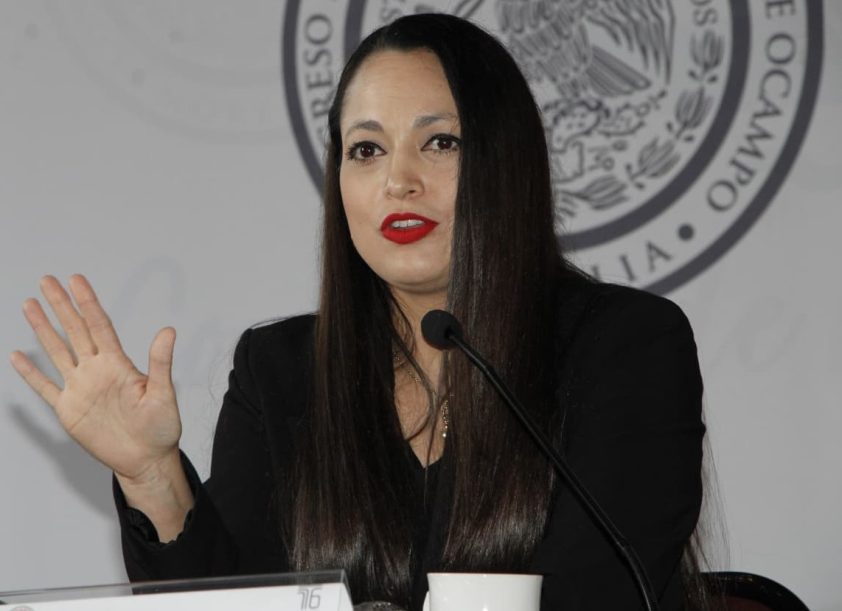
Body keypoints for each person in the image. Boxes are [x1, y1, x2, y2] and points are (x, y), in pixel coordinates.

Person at [10, 13, 706, 611]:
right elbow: (232, 598)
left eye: (440, 142)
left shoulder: (627, 346)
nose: (399, 180)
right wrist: (152, 474)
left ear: (507, 162)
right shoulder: (281, 373)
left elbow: (597, 592)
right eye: (366, 150)